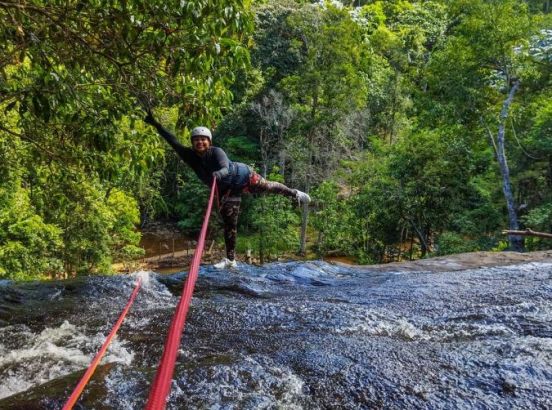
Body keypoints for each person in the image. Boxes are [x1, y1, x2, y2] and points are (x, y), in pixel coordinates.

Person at [144, 112, 310, 269]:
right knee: (230, 224)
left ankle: (295, 193)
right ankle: (231, 260)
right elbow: (172, 140)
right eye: (196, 140)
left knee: (268, 187)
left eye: (203, 139)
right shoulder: (189, 156)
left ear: (209, 141)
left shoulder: (216, 152)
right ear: (192, 142)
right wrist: (155, 124)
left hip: (243, 176)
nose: (200, 142)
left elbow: (225, 167)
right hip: (227, 190)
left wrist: (219, 173)